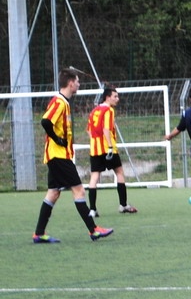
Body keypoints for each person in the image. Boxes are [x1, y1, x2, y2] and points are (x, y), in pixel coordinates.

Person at [32, 68, 113, 243]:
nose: (79, 84)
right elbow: (45, 121)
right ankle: (94, 230)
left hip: (58, 155)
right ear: (70, 83)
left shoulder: (65, 102)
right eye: (77, 81)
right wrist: (58, 139)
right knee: (79, 190)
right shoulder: (59, 102)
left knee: (53, 193)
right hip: (58, 155)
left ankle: (39, 233)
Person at [86, 85, 137, 218]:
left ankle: (92, 209)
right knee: (119, 172)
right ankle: (123, 205)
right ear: (108, 97)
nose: (117, 99)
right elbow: (106, 129)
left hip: (95, 149)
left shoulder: (94, 111)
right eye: (115, 96)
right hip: (108, 148)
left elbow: (89, 131)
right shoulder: (108, 110)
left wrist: (95, 143)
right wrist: (109, 146)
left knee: (94, 177)